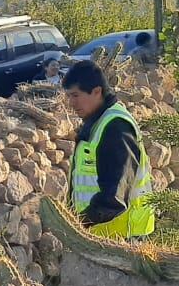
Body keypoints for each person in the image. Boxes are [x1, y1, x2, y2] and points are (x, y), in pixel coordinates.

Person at [62, 60, 154, 239]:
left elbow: (114, 199)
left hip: (122, 237)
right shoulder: (98, 123)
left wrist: (78, 224)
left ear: (97, 91)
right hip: (103, 235)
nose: (71, 103)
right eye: (69, 96)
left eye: (75, 95)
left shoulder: (115, 128)